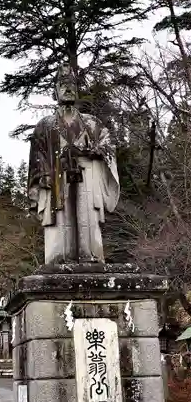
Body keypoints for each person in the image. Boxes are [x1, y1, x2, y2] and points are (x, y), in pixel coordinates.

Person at [28, 63, 120, 264]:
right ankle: (58, 260)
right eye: (62, 85)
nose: (68, 88)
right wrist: (42, 177)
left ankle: (91, 256)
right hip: (56, 179)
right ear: (55, 91)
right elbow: (37, 156)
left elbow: (109, 145)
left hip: (87, 175)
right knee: (60, 221)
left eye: (72, 84)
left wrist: (95, 151)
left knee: (87, 219)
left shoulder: (92, 123)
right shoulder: (45, 125)